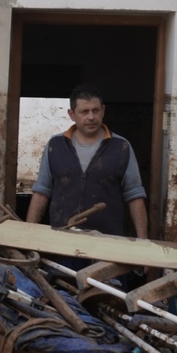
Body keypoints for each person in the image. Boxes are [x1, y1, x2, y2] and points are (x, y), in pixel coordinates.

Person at [25, 84, 148, 239]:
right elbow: (42, 192)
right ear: (71, 114)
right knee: (59, 265)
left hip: (107, 240)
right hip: (62, 237)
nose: (91, 117)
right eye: (84, 111)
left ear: (103, 111)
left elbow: (135, 195)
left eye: (95, 110)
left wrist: (144, 243)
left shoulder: (121, 146)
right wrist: (28, 235)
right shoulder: (55, 145)